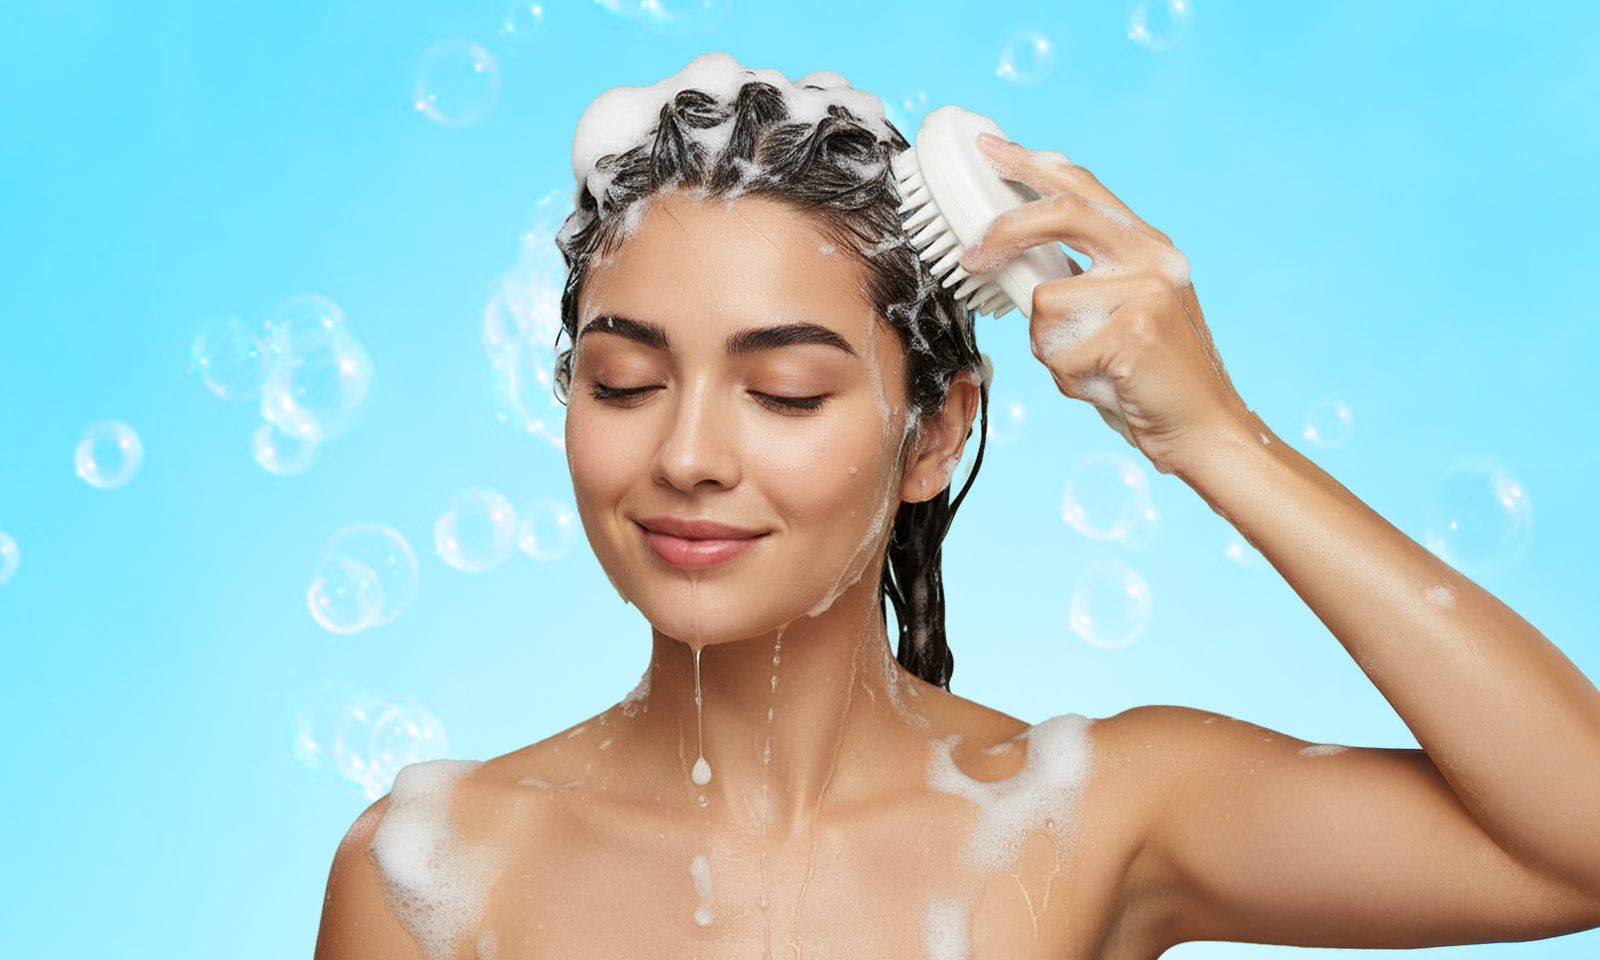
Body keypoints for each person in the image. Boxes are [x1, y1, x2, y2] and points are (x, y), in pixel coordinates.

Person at [314, 54, 1600, 960]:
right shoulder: (429, 873)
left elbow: (1577, 846)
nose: (688, 454)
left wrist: (1216, 437)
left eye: (786, 392)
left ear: (933, 431)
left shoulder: (1092, 818)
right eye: (626, 380)